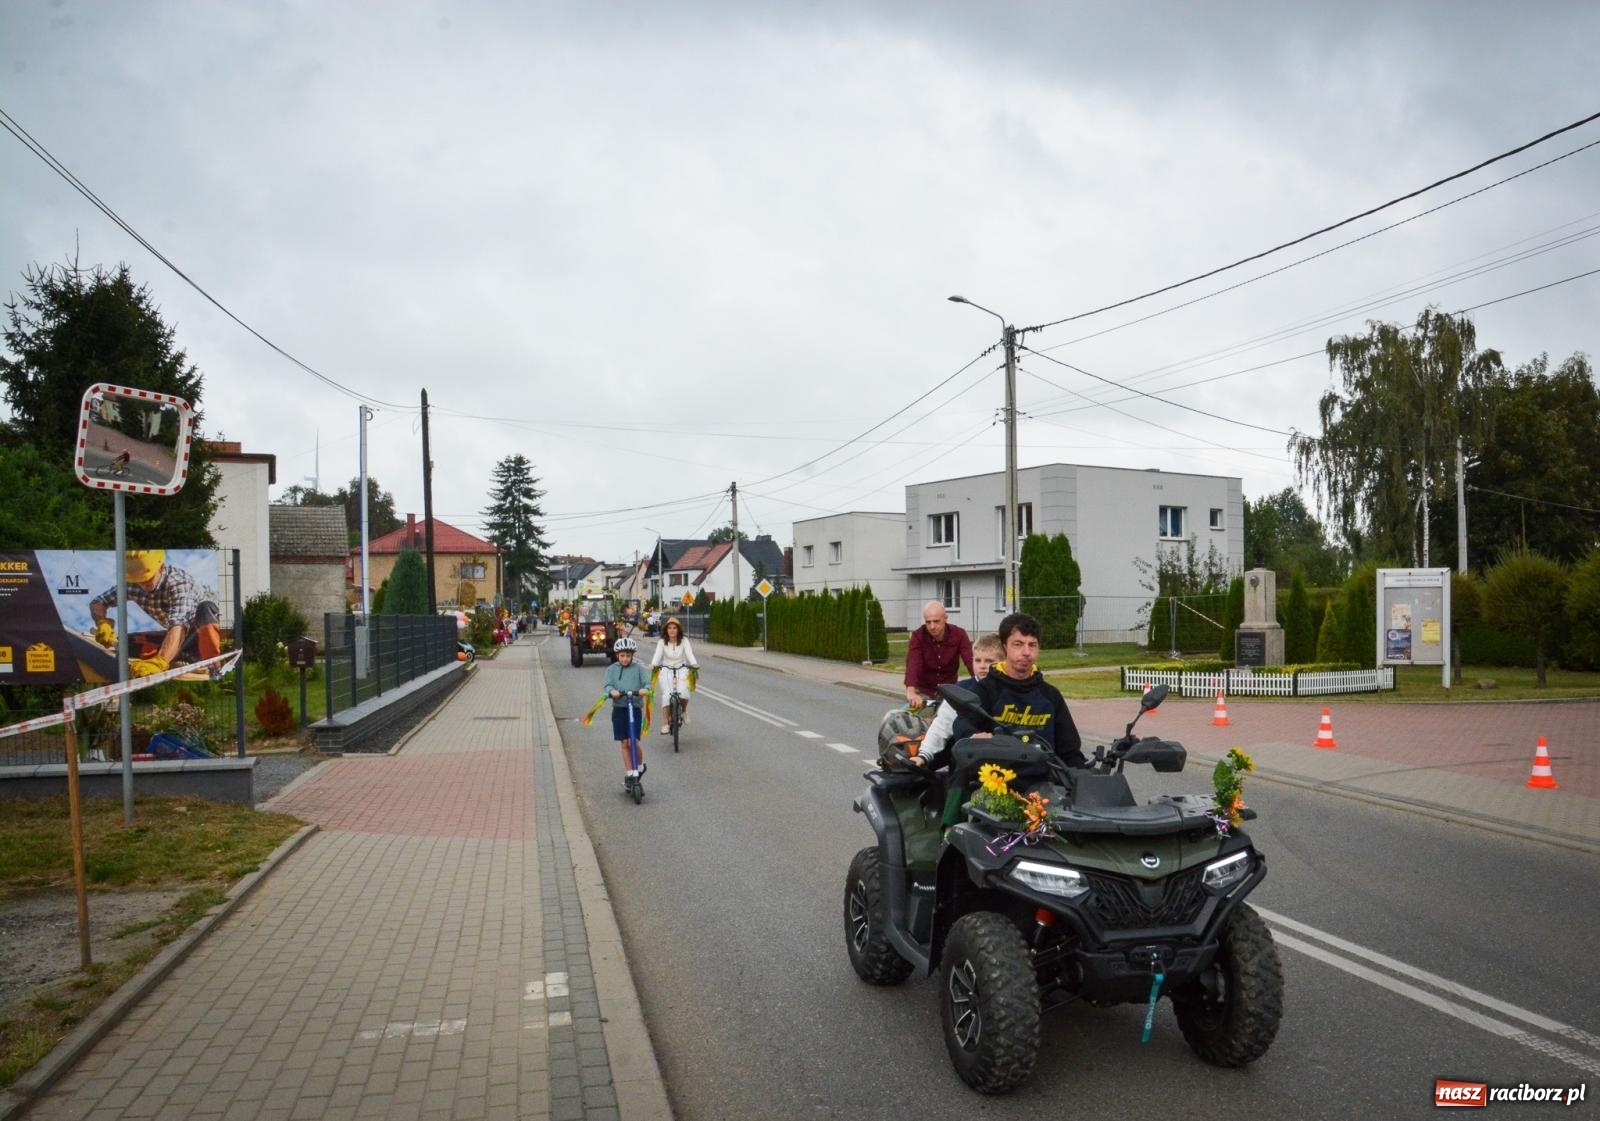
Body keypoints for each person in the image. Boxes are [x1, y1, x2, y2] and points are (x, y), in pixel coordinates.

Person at [951, 612, 1085, 767]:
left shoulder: (1050, 696)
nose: (1026, 652)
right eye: (1018, 644)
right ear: (1004, 647)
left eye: (1032, 645)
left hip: (1044, 781)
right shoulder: (986, 689)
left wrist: (1080, 777)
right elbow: (962, 723)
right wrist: (974, 736)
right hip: (995, 779)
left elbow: (1070, 750)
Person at [89, 550, 222, 677]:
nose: (143, 583)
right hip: (174, 637)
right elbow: (98, 602)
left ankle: (212, 665)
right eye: (138, 580)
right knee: (126, 642)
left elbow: (179, 625)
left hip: (196, 634)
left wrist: (160, 662)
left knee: (206, 608)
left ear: (161, 567)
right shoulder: (132, 584)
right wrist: (102, 622)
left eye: (148, 578)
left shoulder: (178, 583)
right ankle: (179, 657)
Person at [913, 632, 1002, 770]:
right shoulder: (960, 690)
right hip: (966, 761)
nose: (983, 666)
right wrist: (924, 754)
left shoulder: (1010, 689)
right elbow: (942, 725)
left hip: (1005, 758)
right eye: (977, 660)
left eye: (989, 661)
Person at [903, 600, 974, 707]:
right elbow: (913, 663)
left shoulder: (959, 634)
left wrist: (983, 684)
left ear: (945, 619)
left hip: (949, 692)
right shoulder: (918, 636)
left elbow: (971, 662)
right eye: (928, 622)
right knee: (923, 720)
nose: (932, 626)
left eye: (936, 621)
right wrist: (911, 690)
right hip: (924, 691)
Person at [603, 636, 652, 785]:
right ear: (617, 655)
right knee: (624, 742)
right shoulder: (612, 669)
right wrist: (612, 691)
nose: (625, 659)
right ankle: (630, 773)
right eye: (622, 656)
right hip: (619, 708)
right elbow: (607, 685)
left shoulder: (639, 669)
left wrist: (646, 689)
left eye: (628, 656)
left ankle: (640, 764)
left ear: (633, 656)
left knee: (633, 741)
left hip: (634, 707)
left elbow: (648, 683)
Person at [650, 615, 700, 733]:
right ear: (666, 630)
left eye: (674, 628)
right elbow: (657, 656)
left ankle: (683, 711)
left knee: (684, 692)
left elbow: (689, 654)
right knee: (667, 695)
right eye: (669, 628)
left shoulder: (684, 641)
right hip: (666, 670)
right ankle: (666, 724)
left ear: (678, 630)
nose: (672, 630)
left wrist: (694, 664)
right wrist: (653, 664)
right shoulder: (662, 642)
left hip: (682, 669)